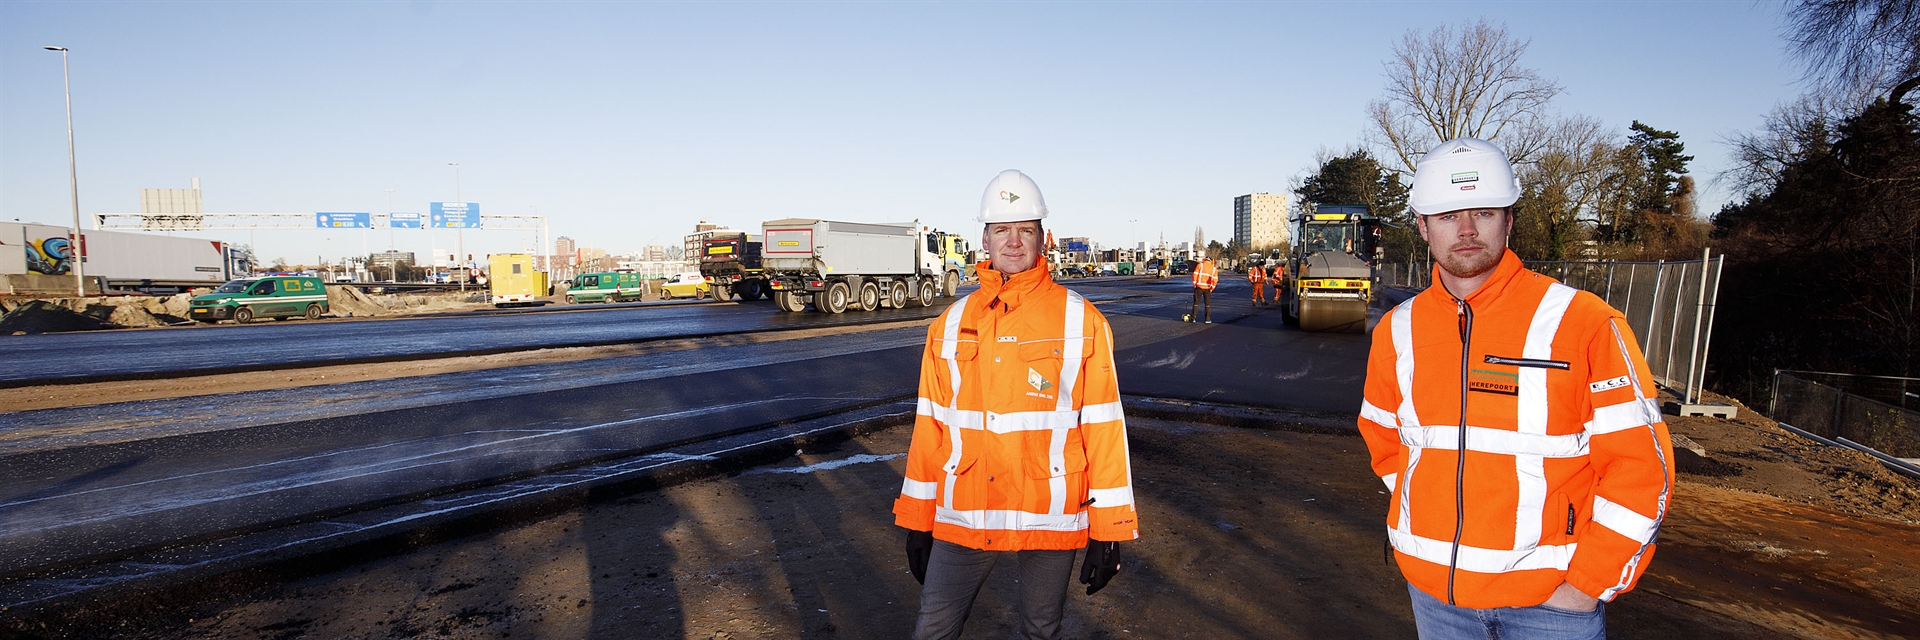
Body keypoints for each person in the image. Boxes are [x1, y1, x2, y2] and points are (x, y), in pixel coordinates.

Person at [1357, 137, 1674, 639]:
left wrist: (1585, 586)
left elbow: (1640, 469)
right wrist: (1427, 519)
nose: (1465, 230)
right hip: (1437, 601)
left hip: (1552, 610)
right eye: (1446, 216)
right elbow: (1385, 442)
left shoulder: (1584, 322)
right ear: (1422, 226)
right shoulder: (1396, 331)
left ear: (1509, 218)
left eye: (1483, 212)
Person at [895, 169, 1139, 640]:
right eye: (1002, 230)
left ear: (1042, 237)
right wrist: (917, 520)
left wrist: (1109, 529)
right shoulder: (949, 324)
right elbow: (931, 428)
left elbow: (1104, 430)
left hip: (1048, 513)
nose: (1012, 241)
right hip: (964, 513)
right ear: (984, 238)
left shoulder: (1080, 320)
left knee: (1040, 631)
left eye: (1024, 229)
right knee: (933, 629)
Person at [1189, 256, 1218, 323]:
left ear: (1204, 260)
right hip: (1208, 288)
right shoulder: (1213, 269)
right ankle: (1207, 319)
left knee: (1196, 303)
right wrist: (1212, 288)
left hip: (1199, 287)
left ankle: (1193, 318)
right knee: (1207, 304)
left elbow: (1195, 275)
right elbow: (1215, 280)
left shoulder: (1200, 265)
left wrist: (1194, 284)